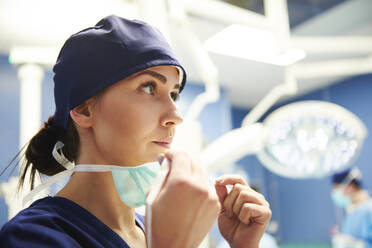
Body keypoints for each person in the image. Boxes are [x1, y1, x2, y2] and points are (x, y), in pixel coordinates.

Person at [0, 15, 271, 247]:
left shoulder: (153, 231)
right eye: (149, 88)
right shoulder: (33, 237)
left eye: (173, 94)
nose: (175, 116)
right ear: (83, 110)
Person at [331, 167, 372, 248]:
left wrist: (358, 245)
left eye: (337, 188)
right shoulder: (352, 210)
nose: (335, 193)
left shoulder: (368, 209)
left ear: (350, 186)